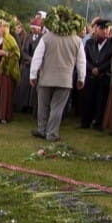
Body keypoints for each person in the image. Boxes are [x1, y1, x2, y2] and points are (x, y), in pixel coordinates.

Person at [29, 7, 86, 142]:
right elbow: (81, 61)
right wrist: (81, 78)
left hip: (46, 78)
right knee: (57, 108)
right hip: (65, 80)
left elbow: (37, 57)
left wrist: (33, 74)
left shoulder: (47, 38)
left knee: (43, 106)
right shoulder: (76, 40)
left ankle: (42, 130)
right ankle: (52, 133)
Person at [81, 18, 112, 130]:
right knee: (88, 99)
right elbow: (84, 58)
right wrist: (92, 69)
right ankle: (85, 122)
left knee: (102, 100)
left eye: (107, 29)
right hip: (91, 75)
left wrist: (100, 69)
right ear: (96, 30)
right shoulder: (90, 42)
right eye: (102, 29)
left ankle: (99, 123)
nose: (105, 31)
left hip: (104, 75)